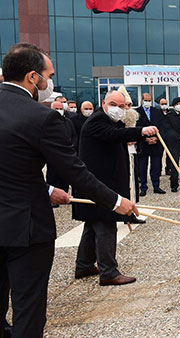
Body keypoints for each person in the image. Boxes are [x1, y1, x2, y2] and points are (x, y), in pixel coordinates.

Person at [0, 42, 139, 338]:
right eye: (48, 75)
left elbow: (10, 164)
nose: (50, 82)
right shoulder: (41, 116)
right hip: (26, 230)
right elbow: (75, 171)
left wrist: (48, 189)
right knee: (27, 309)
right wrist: (116, 202)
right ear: (33, 77)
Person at [73, 90, 157, 287]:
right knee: (105, 224)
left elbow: (118, 136)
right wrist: (141, 131)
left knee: (92, 225)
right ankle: (109, 272)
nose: (118, 110)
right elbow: (112, 135)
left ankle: (83, 265)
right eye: (114, 105)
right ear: (104, 103)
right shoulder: (97, 120)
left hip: (100, 184)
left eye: (122, 106)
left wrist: (142, 137)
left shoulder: (111, 121)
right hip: (98, 186)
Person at [45, 100, 78, 202]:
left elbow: (74, 136)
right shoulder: (46, 122)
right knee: (53, 176)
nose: (59, 111)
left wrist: (72, 147)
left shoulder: (68, 122)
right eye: (56, 109)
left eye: (60, 109)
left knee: (65, 176)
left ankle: (64, 195)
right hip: (52, 155)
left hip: (66, 154)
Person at [135, 93, 165, 196]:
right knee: (143, 167)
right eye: (146, 100)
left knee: (156, 166)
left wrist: (156, 138)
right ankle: (143, 187)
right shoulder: (136, 112)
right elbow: (135, 129)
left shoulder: (156, 112)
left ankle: (156, 186)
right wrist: (145, 139)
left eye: (149, 100)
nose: (148, 102)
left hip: (156, 144)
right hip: (143, 145)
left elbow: (162, 126)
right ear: (142, 100)